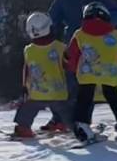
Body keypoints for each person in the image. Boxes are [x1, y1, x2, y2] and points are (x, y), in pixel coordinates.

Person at [65, 2, 117, 145]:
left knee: (83, 102)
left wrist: (72, 71)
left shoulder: (79, 35)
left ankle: (83, 130)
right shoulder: (116, 35)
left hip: (87, 77)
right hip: (111, 77)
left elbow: (70, 56)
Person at [12, 11, 72, 140]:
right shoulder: (61, 47)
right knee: (66, 111)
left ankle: (23, 128)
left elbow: (26, 69)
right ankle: (72, 126)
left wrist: (24, 87)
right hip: (58, 92)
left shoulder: (28, 50)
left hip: (36, 93)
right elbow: (69, 66)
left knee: (27, 110)